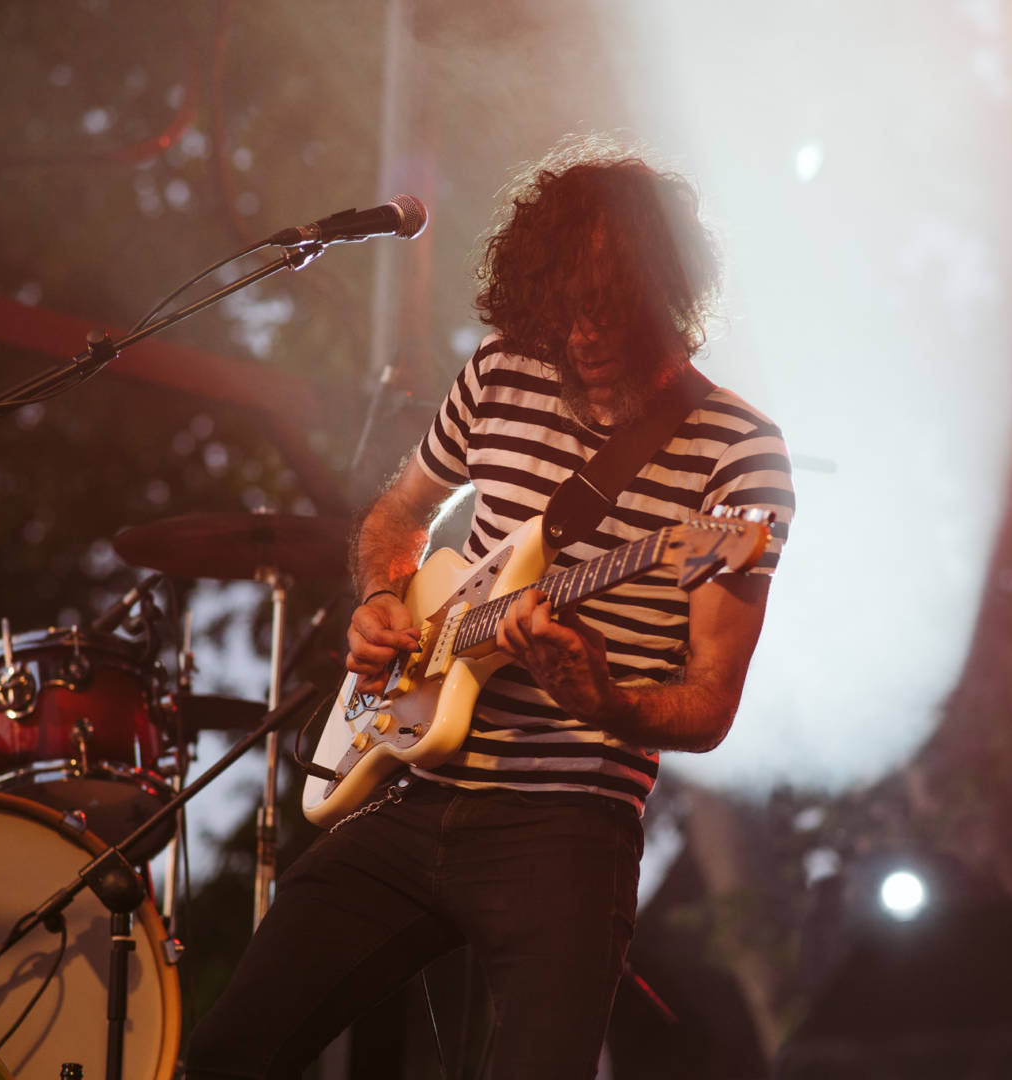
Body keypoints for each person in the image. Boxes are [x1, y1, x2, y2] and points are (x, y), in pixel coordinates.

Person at [186, 139, 795, 1079]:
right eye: (562, 308)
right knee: (229, 1052)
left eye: (606, 308)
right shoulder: (503, 367)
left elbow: (710, 704)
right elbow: (399, 516)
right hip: (417, 789)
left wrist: (601, 698)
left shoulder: (738, 453)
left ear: (666, 293)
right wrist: (382, 596)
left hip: (567, 828)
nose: (580, 336)